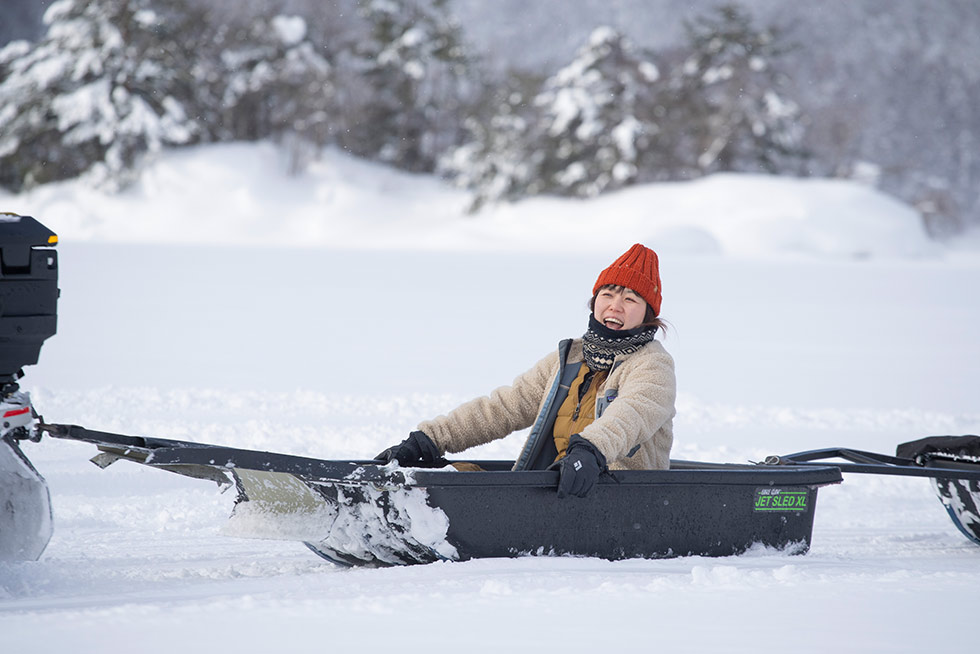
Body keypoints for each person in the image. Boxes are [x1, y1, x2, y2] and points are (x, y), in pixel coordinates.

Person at [376, 243, 676, 499]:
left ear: (647, 314)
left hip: (615, 495)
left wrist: (591, 450)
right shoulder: (569, 357)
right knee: (454, 478)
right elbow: (504, 407)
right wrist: (429, 440)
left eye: (630, 299)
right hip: (554, 488)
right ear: (595, 301)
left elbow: (631, 415)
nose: (615, 306)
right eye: (608, 294)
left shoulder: (652, 365)